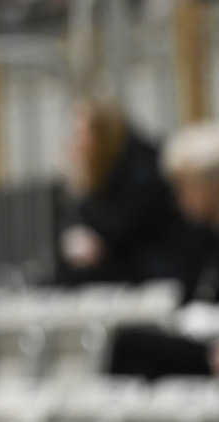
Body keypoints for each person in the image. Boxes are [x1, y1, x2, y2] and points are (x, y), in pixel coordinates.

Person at [109, 121, 219, 380]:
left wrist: (195, 319)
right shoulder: (205, 233)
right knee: (126, 342)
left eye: (185, 186)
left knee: (132, 348)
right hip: (209, 334)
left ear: (216, 186)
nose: (178, 198)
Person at [55, 100, 192, 285]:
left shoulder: (143, 169)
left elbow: (118, 232)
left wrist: (89, 238)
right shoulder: (105, 168)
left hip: (159, 273)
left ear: (101, 135)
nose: (72, 143)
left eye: (79, 134)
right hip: (132, 272)